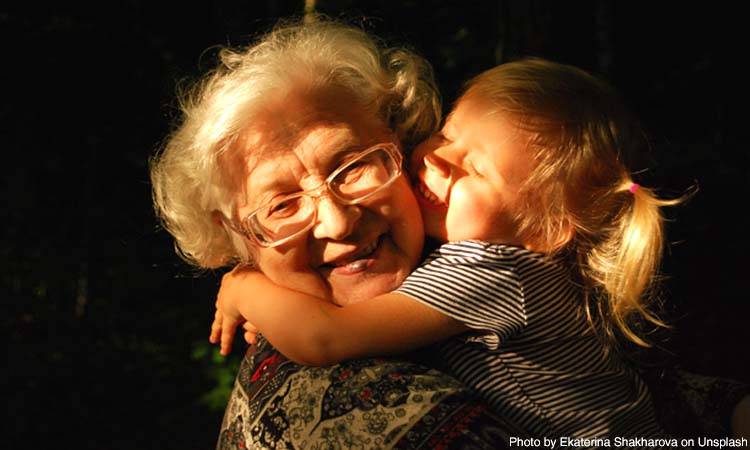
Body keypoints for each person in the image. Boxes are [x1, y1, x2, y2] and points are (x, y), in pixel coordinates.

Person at [212, 58, 750, 442]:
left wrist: (243, 286)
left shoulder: (493, 272)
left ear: (544, 229)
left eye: (475, 170)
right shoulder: (493, 260)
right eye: (448, 136)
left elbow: (323, 337)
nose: (439, 162)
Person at [151, 15, 524, 449]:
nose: (339, 222)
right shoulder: (339, 404)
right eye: (283, 204)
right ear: (238, 238)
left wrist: (243, 286)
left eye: (353, 167)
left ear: (400, 146)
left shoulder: (493, 253)